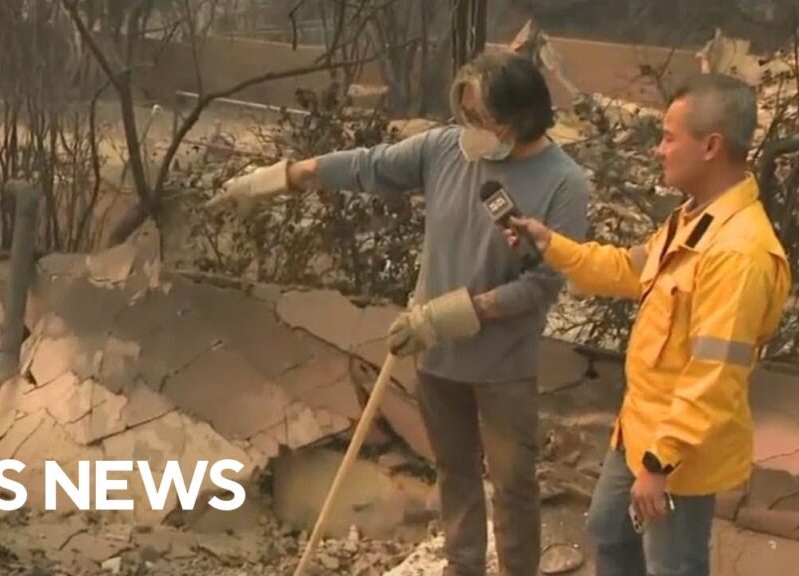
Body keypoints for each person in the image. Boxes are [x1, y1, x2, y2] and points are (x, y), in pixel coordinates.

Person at [206, 51, 589, 576]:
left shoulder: (564, 184)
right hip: (436, 358)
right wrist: (281, 178)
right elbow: (368, 165)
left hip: (502, 366)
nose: (469, 130)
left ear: (521, 116)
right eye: (465, 116)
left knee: (514, 486)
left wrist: (445, 315)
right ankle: (464, 567)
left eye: (482, 119)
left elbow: (541, 286)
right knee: (454, 474)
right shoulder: (445, 150)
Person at [509, 73, 793, 576]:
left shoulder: (739, 254)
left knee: (672, 566)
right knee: (608, 532)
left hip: (677, 454)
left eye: (667, 137)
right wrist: (549, 243)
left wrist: (660, 465)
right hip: (639, 432)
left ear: (710, 146)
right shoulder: (693, 220)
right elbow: (627, 268)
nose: (658, 150)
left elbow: (714, 378)